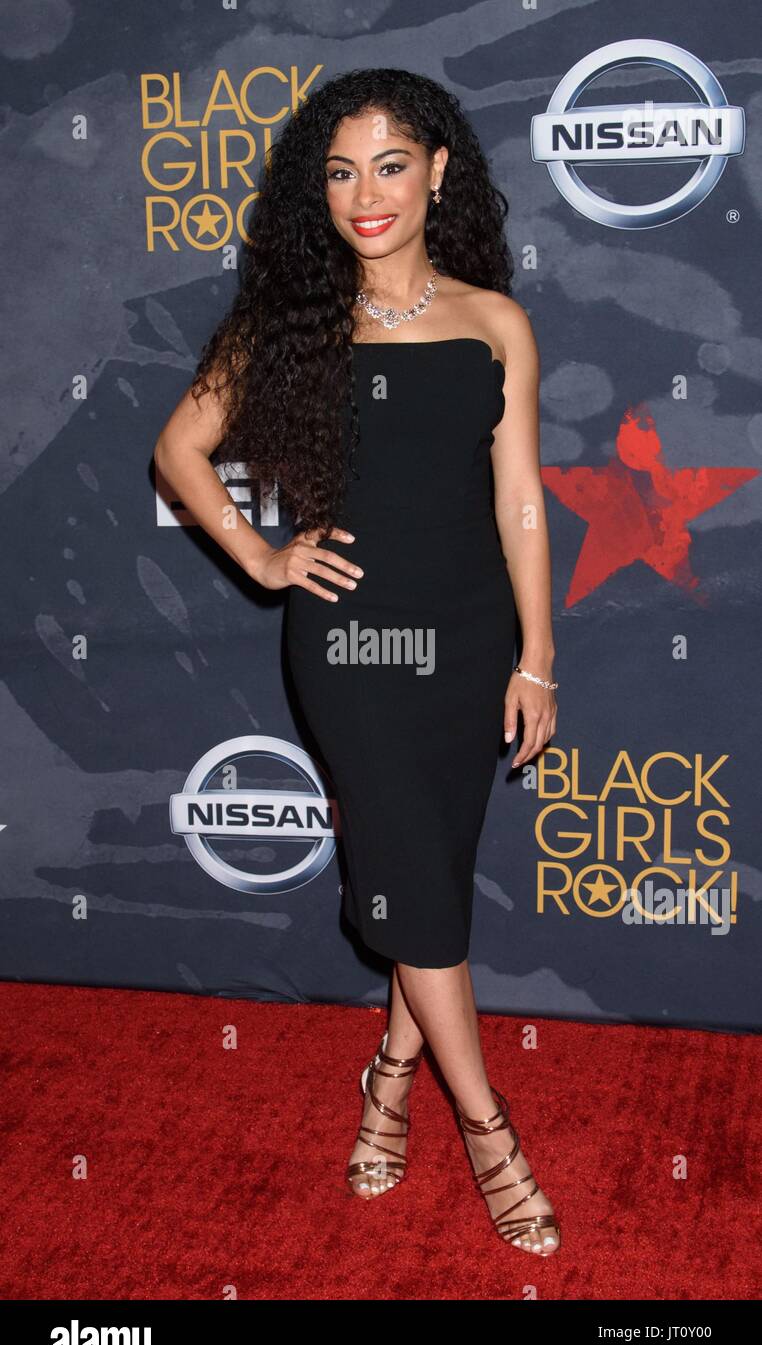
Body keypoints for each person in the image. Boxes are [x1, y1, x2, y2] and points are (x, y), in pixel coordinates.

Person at [154, 68, 560, 1256]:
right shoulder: (298, 320)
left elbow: (522, 500)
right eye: (339, 171)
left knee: (422, 875)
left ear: (439, 171)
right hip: (351, 643)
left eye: (390, 165)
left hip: (471, 637)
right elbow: (179, 445)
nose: (364, 194)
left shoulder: (495, 322)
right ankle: (490, 1132)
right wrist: (264, 558)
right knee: (421, 895)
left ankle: (389, 1073)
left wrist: (537, 655)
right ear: (313, 190)